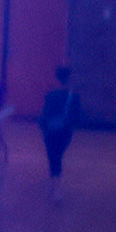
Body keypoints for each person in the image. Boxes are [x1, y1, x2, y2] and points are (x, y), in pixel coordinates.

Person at [40, 65, 81, 203]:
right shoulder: (73, 96)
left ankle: (55, 187)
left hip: (50, 131)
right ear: (69, 78)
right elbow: (78, 116)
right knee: (58, 156)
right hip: (66, 131)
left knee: (53, 157)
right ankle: (55, 186)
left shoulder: (50, 95)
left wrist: (44, 129)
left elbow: (44, 115)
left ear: (56, 78)